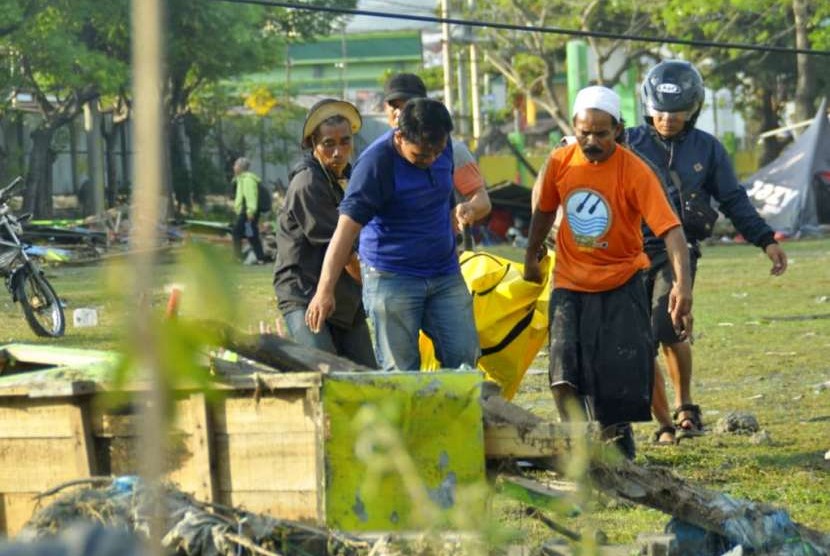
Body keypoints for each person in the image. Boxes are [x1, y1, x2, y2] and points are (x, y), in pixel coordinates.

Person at [523, 86, 693, 459]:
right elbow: (543, 213)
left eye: (602, 133)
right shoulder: (560, 162)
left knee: (616, 376)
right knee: (563, 371)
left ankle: (618, 446)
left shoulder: (635, 171)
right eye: (585, 132)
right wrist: (531, 257)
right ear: (574, 127)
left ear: (618, 130)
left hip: (621, 282)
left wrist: (683, 285)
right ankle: (578, 449)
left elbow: (671, 229)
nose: (592, 140)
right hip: (569, 281)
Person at [627, 60, 788, 444]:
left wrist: (766, 240)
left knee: (668, 326)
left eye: (677, 113)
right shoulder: (626, 142)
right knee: (638, 340)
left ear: (693, 110)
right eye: (660, 112)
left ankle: (686, 407)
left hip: (676, 251)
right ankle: (664, 424)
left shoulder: (708, 149)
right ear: (648, 107)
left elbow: (733, 200)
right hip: (628, 252)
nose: (667, 120)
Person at [306, 98, 480, 371]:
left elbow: (442, 195)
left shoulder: (442, 148)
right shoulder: (376, 165)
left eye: (437, 151)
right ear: (399, 136)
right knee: (401, 371)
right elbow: (345, 231)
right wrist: (324, 291)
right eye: (421, 156)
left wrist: (458, 212)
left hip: (444, 273)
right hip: (391, 278)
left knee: (464, 356)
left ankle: (456, 413)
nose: (431, 160)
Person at [272, 99, 377, 367]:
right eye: (328, 144)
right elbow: (344, 251)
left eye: (345, 141)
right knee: (328, 374)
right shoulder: (307, 182)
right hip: (305, 294)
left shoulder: (352, 178)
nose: (338, 151)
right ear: (312, 144)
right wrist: (380, 289)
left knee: (369, 377)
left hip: (345, 298)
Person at [382, 73, 491, 228]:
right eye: (395, 106)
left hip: (449, 246)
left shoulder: (453, 150)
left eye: (408, 106)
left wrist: (470, 208)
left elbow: (482, 199)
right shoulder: (378, 155)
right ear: (384, 107)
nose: (400, 113)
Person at [231, 157, 266, 264]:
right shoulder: (241, 179)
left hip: (247, 212)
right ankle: (260, 258)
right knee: (251, 235)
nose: (234, 167)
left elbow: (251, 196)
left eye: (236, 165)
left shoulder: (248, 180)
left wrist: (250, 211)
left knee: (236, 232)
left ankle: (237, 257)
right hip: (246, 212)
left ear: (241, 167)